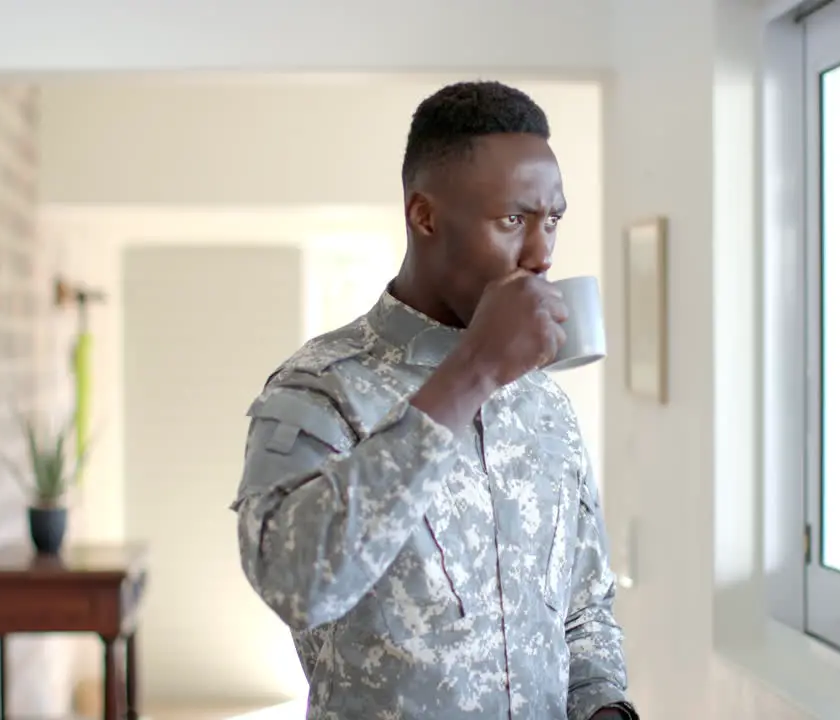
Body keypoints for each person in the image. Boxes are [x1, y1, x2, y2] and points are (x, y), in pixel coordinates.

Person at [232, 80, 636, 720]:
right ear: (424, 215)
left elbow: (584, 609)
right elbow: (295, 584)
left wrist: (606, 709)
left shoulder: (547, 406)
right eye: (512, 220)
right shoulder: (317, 389)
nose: (541, 253)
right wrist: (472, 370)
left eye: (551, 219)